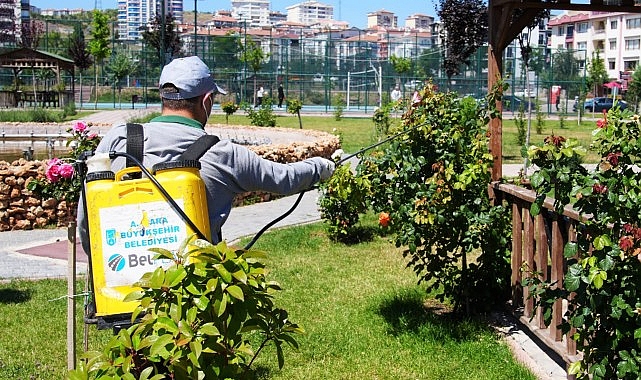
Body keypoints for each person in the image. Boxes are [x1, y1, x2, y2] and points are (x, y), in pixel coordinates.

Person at [77, 56, 335, 249]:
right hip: (193, 295)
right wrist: (322, 167)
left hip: (122, 291)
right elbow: (284, 179)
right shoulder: (223, 154)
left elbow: (86, 215)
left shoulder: (120, 137)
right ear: (207, 101)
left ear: (164, 97)